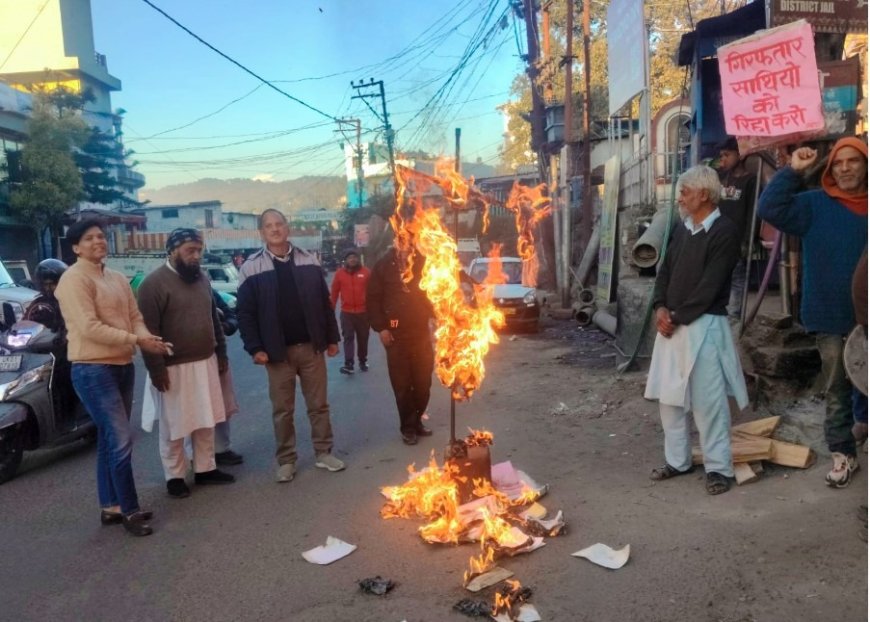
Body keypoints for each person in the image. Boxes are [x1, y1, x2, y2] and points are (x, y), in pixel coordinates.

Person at [759, 137, 868, 488]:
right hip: (829, 313)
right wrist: (792, 171)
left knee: (867, 386)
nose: (846, 168)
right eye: (839, 162)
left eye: (854, 161)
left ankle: (862, 426)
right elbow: (770, 208)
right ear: (830, 168)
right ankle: (843, 454)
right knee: (837, 387)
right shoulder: (813, 206)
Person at [55, 219, 169, 536]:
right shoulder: (73, 280)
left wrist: (148, 338)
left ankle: (111, 506)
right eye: (89, 238)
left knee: (109, 440)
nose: (98, 242)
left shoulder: (117, 278)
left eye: (101, 237)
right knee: (120, 440)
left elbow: (135, 318)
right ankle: (130, 511)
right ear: (76, 247)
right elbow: (90, 327)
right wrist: (137, 341)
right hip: (92, 368)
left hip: (121, 364)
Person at [644, 165, 748, 496]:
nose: (681, 197)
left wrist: (675, 316)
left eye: (686, 191)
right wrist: (660, 307)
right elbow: (665, 272)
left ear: (704, 194)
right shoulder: (681, 228)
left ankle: (719, 468)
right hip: (672, 325)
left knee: (708, 401)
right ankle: (678, 461)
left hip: (703, 326)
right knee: (670, 400)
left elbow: (711, 285)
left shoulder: (725, 231)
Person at [237, 209, 345, 483]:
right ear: (262, 232)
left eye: (279, 224)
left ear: (287, 228)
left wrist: (332, 338)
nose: (275, 229)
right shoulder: (250, 267)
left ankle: (324, 453)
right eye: (269, 226)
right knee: (282, 410)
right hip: (277, 354)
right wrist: (255, 347)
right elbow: (245, 314)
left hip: (311, 348)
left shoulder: (308, 260)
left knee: (318, 405)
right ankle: (286, 460)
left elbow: (324, 304)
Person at [138, 229, 235, 498]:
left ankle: (205, 469)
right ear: (172, 251)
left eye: (198, 250)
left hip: (206, 362)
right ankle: (175, 476)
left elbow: (213, 320)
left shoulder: (202, 280)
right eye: (189, 250)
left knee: (206, 420)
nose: (195, 256)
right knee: (174, 427)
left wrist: (222, 354)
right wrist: (156, 370)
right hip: (172, 369)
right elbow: (148, 333)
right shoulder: (153, 285)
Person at [367, 240, 435, 445]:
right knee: (403, 386)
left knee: (423, 384)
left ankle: (417, 421)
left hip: (421, 333)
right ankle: (408, 428)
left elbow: (437, 289)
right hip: (396, 336)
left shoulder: (424, 261)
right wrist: (382, 328)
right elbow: (372, 299)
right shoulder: (383, 265)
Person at [715, 137, 758, 319]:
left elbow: (753, 213)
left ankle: (734, 315)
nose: (722, 159)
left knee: (737, 279)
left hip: (738, 239)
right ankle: (722, 312)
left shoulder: (751, 181)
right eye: (721, 156)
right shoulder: (722, 179)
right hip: (719, 238)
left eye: (727, 155)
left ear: (739, 154)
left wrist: (748, 240)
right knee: (720, 276)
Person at [212, 289, 244, 466]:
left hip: (216, 355)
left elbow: (231, 316)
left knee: (222, 405)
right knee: (196, 411)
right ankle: (197, 456)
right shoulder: (165, 288)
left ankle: (221, 449)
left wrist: (223, 326)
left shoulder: (207, 290)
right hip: (187, 360)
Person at [330, 249, 372, 375]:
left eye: (354, 257)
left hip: (363, 312)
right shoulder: (339, 274)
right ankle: (349, 364)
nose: (352, 259)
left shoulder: (366, 272)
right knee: (348, 337)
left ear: (358, 259)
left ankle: (363, 360)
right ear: (346, 260)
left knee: (363, 338)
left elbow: (373, 292)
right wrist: (330, 309)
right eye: (349, 258)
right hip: (347, 313)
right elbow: (334, 292)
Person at [23, 258, 68, 333]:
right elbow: (25, 323)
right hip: (41, 343)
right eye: (45, 284)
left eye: (52, 284)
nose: (48, 288)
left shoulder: (71, 301)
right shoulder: (38, 303)